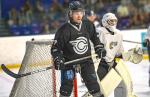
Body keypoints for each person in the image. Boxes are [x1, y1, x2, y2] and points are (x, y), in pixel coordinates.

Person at [51, 1, 106, 97]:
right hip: (69, 62)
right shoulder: (63, 30)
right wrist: (58, 58)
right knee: (66, 88)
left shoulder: (88, 25)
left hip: (86, 61)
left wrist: (99, 48)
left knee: (94, 85)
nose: (79, 15)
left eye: (81, 12)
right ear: (70, 14)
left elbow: (95, 39)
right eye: (76, 13)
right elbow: (55, 48)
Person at [96, 12, 127, 97]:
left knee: (121, 84)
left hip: (112, 63)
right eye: (110, 21)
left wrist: (129, 54)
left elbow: (119, 53)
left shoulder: (119, 34)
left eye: (114, 21)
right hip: (100, 64)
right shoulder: (100, 31)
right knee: (99, 89)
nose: (113, 23)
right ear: (105, 22)